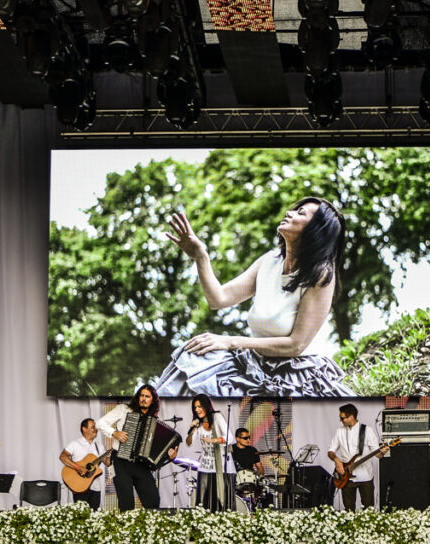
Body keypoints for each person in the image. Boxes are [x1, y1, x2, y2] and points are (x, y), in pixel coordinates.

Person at [156, 198, 356, 397]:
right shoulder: (270, 261)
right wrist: (201, 257)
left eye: (301, 213)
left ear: (316, 231)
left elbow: (296, 345)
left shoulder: (320, 276)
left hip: (293, 374)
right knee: (193, 354)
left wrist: (230, 342)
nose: (289, 213)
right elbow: (219, 298)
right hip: (254, 363)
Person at [97, 384, 178, 511]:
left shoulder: (154, 421)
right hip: (120, 461)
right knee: (126, 503)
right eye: (141, 395)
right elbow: (100, 423)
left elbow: (159, 451)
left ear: (153, 400)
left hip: (141, 464)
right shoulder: (124, 409)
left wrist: (170, 456)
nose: (143, 399)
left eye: (147, 396)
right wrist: (114, 433)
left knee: (153, 499)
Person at [327, 403, 388, 511]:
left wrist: (382, 452)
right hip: (345, 476)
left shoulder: (367, 430)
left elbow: (377, 454)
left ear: (351, 417)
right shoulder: (339, 431)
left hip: (365, 476)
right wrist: (336, 460)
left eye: (342, 418)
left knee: (368, 511)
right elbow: (331, 451)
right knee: (348, 510)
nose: (341, 421)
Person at [186, 394, 235, 511]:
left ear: (206, 406)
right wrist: (192, 430)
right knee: (203, 504)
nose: (197, 410)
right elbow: (189, 443)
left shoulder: (217, 417)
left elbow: (230, 437)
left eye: (199, 406)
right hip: (205, 467)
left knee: (220, 505)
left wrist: (214, 440)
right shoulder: (198, 423)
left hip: (222, 467)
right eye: (195, 407)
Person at [59, 418, 109, 510]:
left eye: (96, 427)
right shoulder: (75, 444)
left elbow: (107, 463)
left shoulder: (99, 446)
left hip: (95, 487)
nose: (96, 429)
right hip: (79, 486)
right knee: (80, 516)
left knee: (94, 515)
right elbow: (63, 457)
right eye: (93, 427)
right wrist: (78, 467)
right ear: (84, 429)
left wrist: (116, 454)